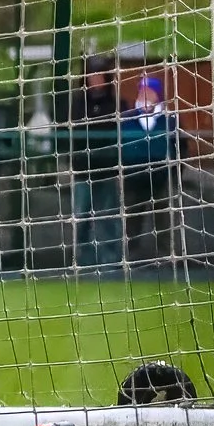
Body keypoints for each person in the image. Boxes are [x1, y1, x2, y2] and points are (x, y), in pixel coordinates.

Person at [118, 76, 183, 267]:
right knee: (132, 221)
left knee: (164, 219)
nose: (145, 95)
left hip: (162, 177)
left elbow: (181, 147)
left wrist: (174, 171)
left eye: (150, 92)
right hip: (134, 177)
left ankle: (167, 258)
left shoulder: (170, 118)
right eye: (142, 91)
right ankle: (131, 259)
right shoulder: (127, 117)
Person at [69, 59, 123, 269]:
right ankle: (84, 259)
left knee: (108, 216)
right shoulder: (78, 103)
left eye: (99, 75)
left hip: (107, 168)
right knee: (82, 216)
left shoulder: (115, 103)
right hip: (83, 169)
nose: (96, 79)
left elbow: (111, 130)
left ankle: (111, 259)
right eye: (92, 75)